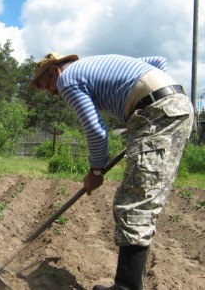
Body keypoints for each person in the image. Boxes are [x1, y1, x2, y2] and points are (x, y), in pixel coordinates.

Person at [29, 53, 194, 290]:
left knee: (135, 202)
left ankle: (125, 287)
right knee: (142, 198)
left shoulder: (67, 79)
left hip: (158, 114)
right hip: (172, 108)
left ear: (55, 72)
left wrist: (95, 172)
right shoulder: (93, 65)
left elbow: (96, 131)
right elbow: (159, 62)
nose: (53, 93)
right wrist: (146, 108)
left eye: (48, 87)